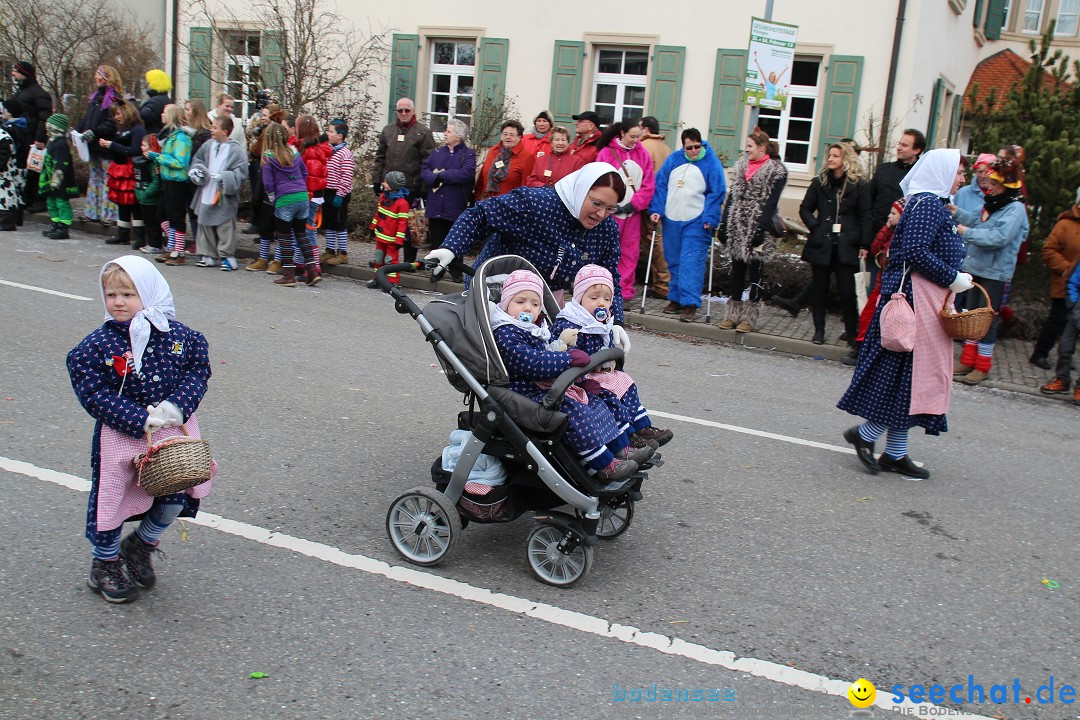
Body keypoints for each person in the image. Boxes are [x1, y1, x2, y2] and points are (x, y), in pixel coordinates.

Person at [66, 255, 212, 603]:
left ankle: (141, 544)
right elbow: (93, 392)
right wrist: (135, 416)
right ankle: (104, 563)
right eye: (111, 294)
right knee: (111, 500)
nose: (118, 301)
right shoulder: (95, 346)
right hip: (121, 434)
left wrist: (176, 406)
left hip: (172, 431)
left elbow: (198, 372)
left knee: (177, 492)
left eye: (128, 294)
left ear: (149, 292)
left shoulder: (182, 338)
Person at [838, 149, 972, 480]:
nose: (962, 178)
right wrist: (952, 277)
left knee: (908, 379)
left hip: (921, 300)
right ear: (942, 172)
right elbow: (913, 251)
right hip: (914, 304)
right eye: (958, 172)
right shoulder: (927, 204)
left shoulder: (929, 203)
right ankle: (866, 435)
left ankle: (896, 452)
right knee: (906, 378)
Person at [426, 163, 633, 352]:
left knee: (545, 357)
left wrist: (616, 321)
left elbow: (608, 277)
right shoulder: (536, 204)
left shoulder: (606, 229)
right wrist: (451, 248)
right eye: (596, 203)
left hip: (547, 298)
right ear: (580, 190)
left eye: (610, 208)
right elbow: (480, 215)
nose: (601, 214)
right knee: (507, 361)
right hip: (498, 292)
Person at [491, 269, 644, 481]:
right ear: (506, 304)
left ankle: (620, 448)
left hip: (544, 384)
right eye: (520, 302)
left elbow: (549, 352)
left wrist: (568, 357)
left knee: (596, 402)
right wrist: (568, 360)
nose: (528, 308)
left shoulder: (533, 328)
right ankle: (601, 464)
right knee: (576, 413)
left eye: (535, 304)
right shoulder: (507, 332)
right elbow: (531, 363)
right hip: (525, 389)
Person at [552, 264, 673, 449]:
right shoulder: (570, 322)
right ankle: (627, 435)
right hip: (580, 377)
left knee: (626, 384)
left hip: (601, 371)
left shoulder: (603, 320)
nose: (601, 303)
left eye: (606, 299)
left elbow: (606, 345)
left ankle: (641, 426)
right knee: (609, 397)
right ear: (579, 298)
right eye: (594, 298)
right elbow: (563, 353)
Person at [952, 157, 1029, 385]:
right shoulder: (992, 203)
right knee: (972, 315)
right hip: (976, 268)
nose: (989, 186)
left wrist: (966, 232)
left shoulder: (1015, 209)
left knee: (986, 319)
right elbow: (975, 219)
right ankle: (968, 359)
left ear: (1007, 186)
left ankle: (983, 365)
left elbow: (999, 238)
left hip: (994, 273)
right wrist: (955, 210)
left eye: (995, 183)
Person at [648, 128, 727, 323]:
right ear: (683, 146)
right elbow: (661, 185)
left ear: (701, 144)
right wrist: (657, 209)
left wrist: (710, 217)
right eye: (688, 147)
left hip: (697, 221)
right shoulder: (674, 160)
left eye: (696, 147)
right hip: (672, 219)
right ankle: (675, 298)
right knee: (673, 260)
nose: (693, 151)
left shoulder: (710, 163)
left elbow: (717, 192)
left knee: (691, 262)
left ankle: (690, 303)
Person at [797, 142, 872, 346]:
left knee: (848, 293)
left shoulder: (859, 185)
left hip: (847, 246)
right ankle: (819, 331)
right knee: (819, 290)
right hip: (823, 244)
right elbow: (805, 209)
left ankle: (852, 334)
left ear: (845, 159)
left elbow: (866, 216)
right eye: (829, 155)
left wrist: (865, 244)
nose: (830, 159)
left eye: (835, 156)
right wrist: (816, 228)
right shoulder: (820, 182)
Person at [715, 127, 785, 331]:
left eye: (750, 146)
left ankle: (749, 317)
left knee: (756, 272)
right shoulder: (741, 166)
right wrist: (724, 224)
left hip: (758, 225)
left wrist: (760, 229)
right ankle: (732, 314)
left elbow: (771, 202)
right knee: (736, 271)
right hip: (738, 225)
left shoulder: (776, 170)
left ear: (762, 148)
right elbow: (732, 197)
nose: (747, 150)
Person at [595, 120, 655, 300]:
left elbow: (648, 184)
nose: (636, 140)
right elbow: (598, 180)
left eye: (638, 137)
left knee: (629, 252)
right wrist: (610, 203)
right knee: (605, 249)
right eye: (632, 136)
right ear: (622, 133)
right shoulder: (606, 153)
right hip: (609, 213)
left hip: (632, 214)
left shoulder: (643, 154)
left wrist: (634, 204)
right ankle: (600, 288)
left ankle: (623, 292)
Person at [372, 97, 435, 263]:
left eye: (407, 110)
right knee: (386, 224)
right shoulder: (388, 130)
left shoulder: (423, 132)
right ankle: (384, 260)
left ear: (413, 111)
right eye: (400, 110)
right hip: (389, 187)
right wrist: (377, 180)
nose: (404, 113)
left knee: (409, 228)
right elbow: (380, 157)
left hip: (411, 187)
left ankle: (408, 263)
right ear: (396, 112)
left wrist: (423, 187)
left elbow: (427, 161)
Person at [261, 122, 320, 287]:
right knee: (301, 235)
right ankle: (313, 271)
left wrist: (273, 199)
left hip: (284, 198)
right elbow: (304, 172)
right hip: (301, 197)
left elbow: (268, 183)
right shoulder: (294, 152)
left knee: (285, 238)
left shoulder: (268, 156)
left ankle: (289, 274)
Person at [849, 198, 905, 365]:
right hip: (881, 282)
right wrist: (886, 227)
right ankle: (861, 348)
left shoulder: (902, 236)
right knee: (868, 315)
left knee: (875, 318)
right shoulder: (891, 231)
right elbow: (875, 248)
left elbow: (889, 257)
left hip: (889, 285)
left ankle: (865, 351)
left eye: (894, 213)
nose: (890, 215)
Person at [188, 115, 247, 270]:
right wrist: (197, 172)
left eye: (215, 127)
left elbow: (241, 172)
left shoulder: (236, 150)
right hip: (206, 190)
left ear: (225, 131)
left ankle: (227, 256)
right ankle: (207, 254)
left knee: (224, 226)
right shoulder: (208, 146)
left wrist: (224, 177)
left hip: (223, 194)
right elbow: (198, 160)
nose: (211, 130)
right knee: (204, 224)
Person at [1030, 186, 1080, 369]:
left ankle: (1066, 358)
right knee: (1058, 319)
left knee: (1073, 325)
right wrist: (1068, 269)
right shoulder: (1065, 225)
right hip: (1065, 283)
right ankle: (1040, 353)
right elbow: (1049, 250)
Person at [420, 117, 476, 270]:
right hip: (436, 205)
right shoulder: (437, 152)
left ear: (458, 136)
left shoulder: (468, 154)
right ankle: (436, 270)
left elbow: (466, 174)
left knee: (456, 242)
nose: (445, 133)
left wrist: (442, 176)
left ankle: (456, 271)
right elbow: (424, 169)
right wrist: (433, 177)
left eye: (448, 131)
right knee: (437, 241)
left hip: (455, 206)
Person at [146, 105, 194, 266]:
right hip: (168, 179)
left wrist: (157, 158)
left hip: (178, 181)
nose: (161, 114)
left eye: (164, 112)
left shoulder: (181, 138)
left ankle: (178, 252)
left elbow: (181, 162)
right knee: (163, 214)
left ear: (172, 116)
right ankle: (173, 246)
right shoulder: (171, 136)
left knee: (177, 216)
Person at [76, 65, 123, 224]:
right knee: (95, 179)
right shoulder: (95, 97)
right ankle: (92, 212)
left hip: (106, 146)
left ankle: (109, 215)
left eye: (100, 76)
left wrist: (94, 132)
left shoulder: (115, 98)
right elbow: (86, 118)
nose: (97, 79)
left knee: (107, 181)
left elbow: (113, 123)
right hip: (93, 146)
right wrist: (77, 130)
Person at [100, 100, 146, 248]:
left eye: (118, 113)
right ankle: (123, 234)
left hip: (130, 170)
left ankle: (139, 236)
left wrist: (113, 145)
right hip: (119, 169)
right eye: (114, 114)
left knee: (133, 203)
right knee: (121, 202)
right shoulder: (120, 129)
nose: (116, 117)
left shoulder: (137, 130)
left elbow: (135, 150)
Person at [291, 114, 333, 278]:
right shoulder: (308, 148)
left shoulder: (311, 151)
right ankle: (301, 263)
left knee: (308, 231)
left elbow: (312, 178)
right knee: (302, 230)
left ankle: (313, 266)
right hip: (309, 194)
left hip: (310, 195)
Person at [11, 60, 53, 215]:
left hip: (33, 137)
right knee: (26, 169)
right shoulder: (21, 91)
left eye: (16, 70)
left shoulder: (38, 93)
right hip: (22, 136)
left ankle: (39, 200)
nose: (13, 73)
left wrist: (40, 138)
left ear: (24, 73)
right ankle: (28, 198)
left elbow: (45, 117)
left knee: (36, 170)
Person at [637, 116, 672, 298]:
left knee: (653, 242)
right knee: (659, 241)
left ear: (647, 129)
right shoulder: (666, 148)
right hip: (663, 200)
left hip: (648, 200)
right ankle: (662, 283)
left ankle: (662, 285)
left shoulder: (644, 147)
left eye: (640, 128)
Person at [1038, 258, 1080, 404]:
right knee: (1065, 348)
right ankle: (1062, 380)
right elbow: (1073, 281)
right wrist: (1073, 304)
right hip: (1077, 312)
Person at [39, 113, 78, 240]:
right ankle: (55, 223)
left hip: (60, 181)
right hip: (50, 178)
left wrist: (56, 180)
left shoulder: (61, 143)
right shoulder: (52, 141)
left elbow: (61, 163)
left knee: (61, 202)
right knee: (51, 202)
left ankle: (63, 226)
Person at [368, 171, 411, 287]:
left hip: (392, 240)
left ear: (393, 185)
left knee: (391, 261)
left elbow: (402, 224)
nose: (383, 184)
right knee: (378, 258)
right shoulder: (383, 197)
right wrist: (373, 227)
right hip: (380, 237)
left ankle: (392, 283)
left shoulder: (402, 204)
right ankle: (378, 279)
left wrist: (399, 240)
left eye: (386, 182)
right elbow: (378, 214)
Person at [322, 118, 355, 266]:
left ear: (340, 136)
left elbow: (346, 177)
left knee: (339, 222)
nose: (327, 133)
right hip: (327, 191)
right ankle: (330, 250)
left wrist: (340, 194)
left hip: (339, 193)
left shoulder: (345, 153)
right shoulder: (329, 151)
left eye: (330, 131)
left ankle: (343, 253)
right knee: (328, 222)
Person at [475, 120, 535, 202]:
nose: (508, 137)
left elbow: (526, 188)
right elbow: (481, 180)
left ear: (520, 137)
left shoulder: (527, 157)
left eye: (512, 135)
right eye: (505, 134)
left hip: (509, 205)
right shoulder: (493, 151)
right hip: (487, 203)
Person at [134, 134, 163, 254]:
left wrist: (146, 193)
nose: (141, 147)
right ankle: (150, 242)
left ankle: (155, 244)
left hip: (151, 199)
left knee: (153, 223)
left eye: (144, 145)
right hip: (143, 198)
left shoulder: (154, 164)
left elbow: (156, 182)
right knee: (148, 222)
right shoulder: (143, 162)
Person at [950, 153, 996, 224]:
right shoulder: (963, 193)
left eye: (987, 172)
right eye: (980, 172)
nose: (983, 176)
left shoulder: (1000, 197)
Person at [0, 109, 20, 231]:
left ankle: (7, 223)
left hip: (5, 176)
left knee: (6, 199)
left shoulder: (3, 137)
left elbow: (3, 158)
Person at [139, 70, 173, 135]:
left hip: (151, 136)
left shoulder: (156, 101)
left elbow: (144, 115)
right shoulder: (165, 99)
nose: (147, 85)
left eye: (149, 83)